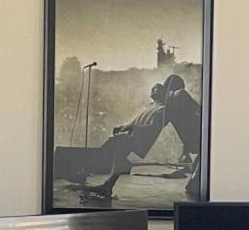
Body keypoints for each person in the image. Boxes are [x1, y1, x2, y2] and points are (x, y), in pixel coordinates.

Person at [77, 74, 202, 202]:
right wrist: (124, 127)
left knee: (194, 187)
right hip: (143, 136)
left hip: (191, 141)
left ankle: (105, 182)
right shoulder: (159, 106)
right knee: (117, 146)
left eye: (157, 88)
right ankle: (106, 183)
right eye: (154, 88)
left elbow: (194, 110)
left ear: (168, 86)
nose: (154, 90)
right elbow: (138, 120)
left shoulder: (177, 96)